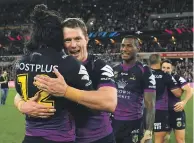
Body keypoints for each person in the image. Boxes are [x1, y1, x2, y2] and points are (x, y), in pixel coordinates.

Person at [15, 18, 117, 143]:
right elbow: (19, 93)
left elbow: (109, 103)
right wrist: (22, 105)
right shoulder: (56, 65)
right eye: (67, 40)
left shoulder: (99, 66)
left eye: (77, 39)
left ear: (86, 39)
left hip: (97, 139)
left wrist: (66, 91)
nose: (73, 45)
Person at [14, 5, 93, 143]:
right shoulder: (69, 63)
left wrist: (21, 105)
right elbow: (90, 105)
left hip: (30, 137)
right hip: (60, 137)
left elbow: (19, 94)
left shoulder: (21, 62)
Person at [112, 35, 156, 143]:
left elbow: (150, 104)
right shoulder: (114, 70)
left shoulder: (144, 71)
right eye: (122, 46)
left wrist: (149, 130)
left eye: (129, 46)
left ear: (138, 48)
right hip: (113, 123)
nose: (124, 49)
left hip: (134, 124)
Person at [148, 54, 183, 143]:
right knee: (159, 140)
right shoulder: (165, 75)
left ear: (149, 62)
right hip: (159, 111)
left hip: (143, 110)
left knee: (145, 137)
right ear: (160, 63)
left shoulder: (143, 73)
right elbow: (178, 94)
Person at [161, 60, 192, 143]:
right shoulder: (157, 79)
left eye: (168, 68)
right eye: (163, 67)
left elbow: (190, 90)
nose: (165, 70)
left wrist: (184, 102)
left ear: (172, 69)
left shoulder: (177, 78)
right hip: (162, 113)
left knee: (180, 140)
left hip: (176, 112)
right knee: (162, 140)